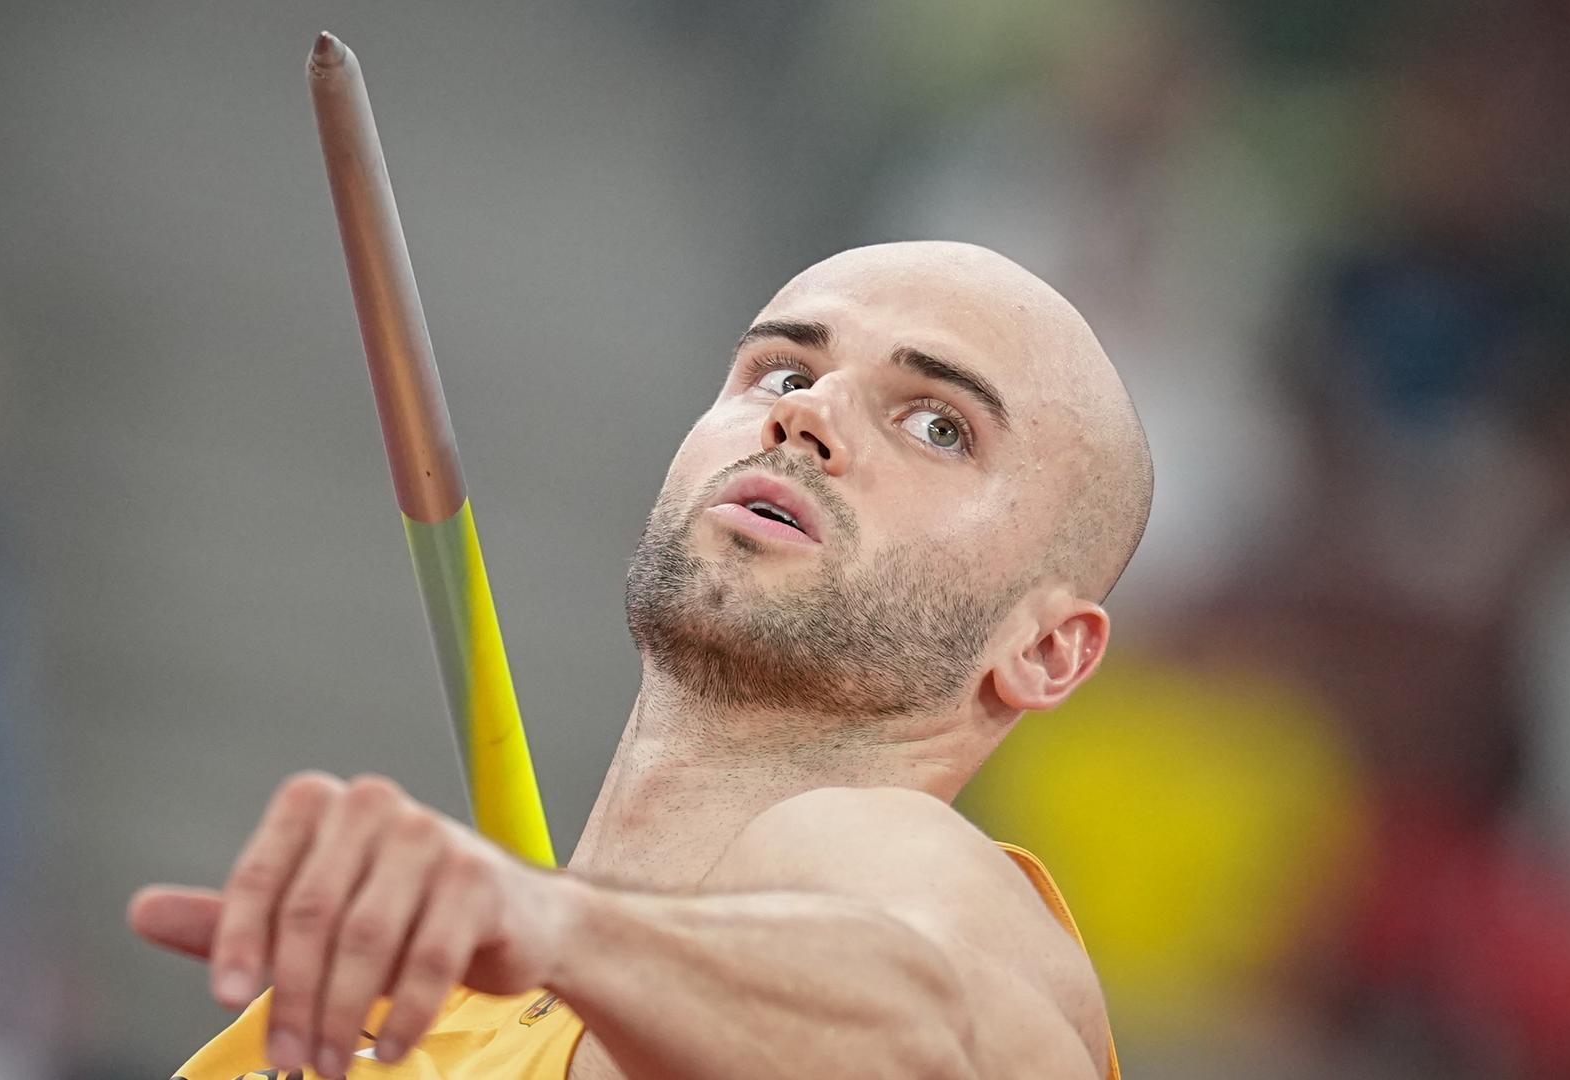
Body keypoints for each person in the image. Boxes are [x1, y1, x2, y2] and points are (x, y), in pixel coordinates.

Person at [129, 240, 1150, 1079]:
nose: (807, 416)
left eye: (938, 425)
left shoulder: (882, 858)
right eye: (784, 371)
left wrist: (558, 925)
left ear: (1047, 647)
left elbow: (949, 1037)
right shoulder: (367, 1019)